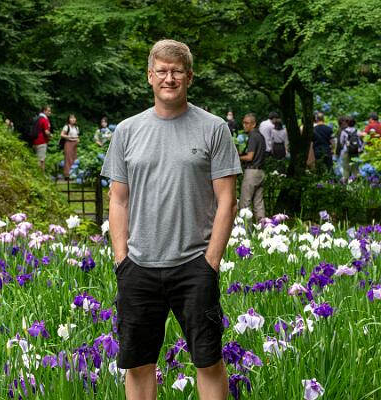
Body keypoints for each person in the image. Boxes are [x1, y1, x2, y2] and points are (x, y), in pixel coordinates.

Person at [101, 39, 241, 400]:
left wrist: (210, 262)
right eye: (162, 71)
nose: (169, 78)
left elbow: (227, 201)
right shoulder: (127, 130)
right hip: (138, 266)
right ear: (150, 76)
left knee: (208, 360)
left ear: (189, 77)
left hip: (194, 264)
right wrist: (121, 259)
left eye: (177, 71)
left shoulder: (214, 128)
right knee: (138, 363)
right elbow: (118, 199)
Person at [239, 113, 266, 221]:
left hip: (251, 172)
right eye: (243, 123)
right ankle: (263, 228)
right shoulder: (260, 136)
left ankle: (246, 229)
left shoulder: (253, 136)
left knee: (245, 204)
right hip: (261, 172)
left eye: (247, 123)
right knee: (259, 204)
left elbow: (250, 157)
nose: (244, 125)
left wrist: (237, 157)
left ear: (254, 124)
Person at [340, 115, 364, 181]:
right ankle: (357, 181)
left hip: (346, 151)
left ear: (347, 123)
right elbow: (361, 142)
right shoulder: (357, 131)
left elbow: (341, 142)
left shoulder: (344, 131)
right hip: (355, 151)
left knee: (346, 168)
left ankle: (345, 181)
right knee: (355, 167)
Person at [32, 105, 52, 172]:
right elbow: (46, 132)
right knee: (41, 161)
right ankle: (39, 176)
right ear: (44, 111)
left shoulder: (37, 118)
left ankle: (41, 176)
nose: (50, 112)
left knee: (39, 159)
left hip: (34, 141)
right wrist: (50, 136)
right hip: (42, 142)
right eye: (48, 111)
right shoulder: (44, 119)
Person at [60, 114, 80, 179]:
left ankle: (73, 174)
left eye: (74, 118)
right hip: (68, 143)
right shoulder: (66, 127)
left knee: (74, 158)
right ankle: (67, 175)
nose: (73, 119)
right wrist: (69, 137)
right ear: (69, 119)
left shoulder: (76, 127)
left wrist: (78, 139)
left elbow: (77, 136)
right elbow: (62, 134)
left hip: (75, 144)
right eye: (71, 118)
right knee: (68, 159)